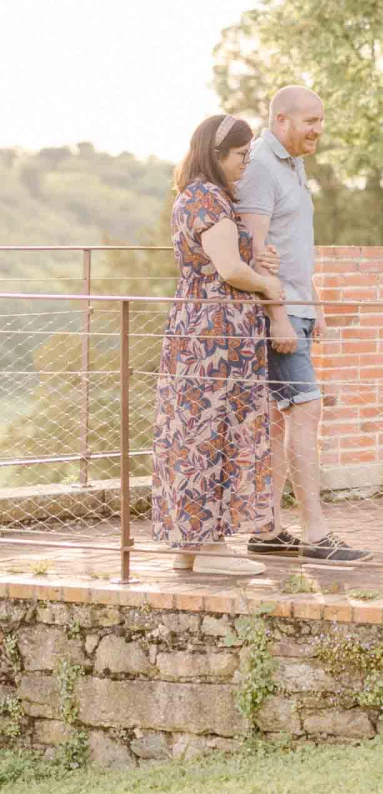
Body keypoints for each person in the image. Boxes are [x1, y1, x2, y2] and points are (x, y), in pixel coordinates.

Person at [236, 86, 369, 564]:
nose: (318, 130)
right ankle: (316, 533)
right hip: (278, 312)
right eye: (310, 121)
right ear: (281, 120)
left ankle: (268, 529)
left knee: (280, 419)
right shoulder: (260, 166)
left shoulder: (293, 163)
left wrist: (314, 303)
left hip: (298, 307)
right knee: (306, 409)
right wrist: (278, 316)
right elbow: (255, 250)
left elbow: (292, 243)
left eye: (320, 120)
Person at [153, 113, 285, 574]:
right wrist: (267, 285)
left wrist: (258, 258)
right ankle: (211, 550)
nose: (246, 163)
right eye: (241, 155)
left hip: (198, 327)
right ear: (217, 154)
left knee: (193, 430)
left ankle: (190, 547)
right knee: (216, 429)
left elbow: (225, 258)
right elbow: (228, 269)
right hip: (217, 335)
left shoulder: (192, 196)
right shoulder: (209, 198)